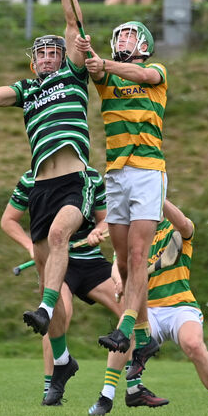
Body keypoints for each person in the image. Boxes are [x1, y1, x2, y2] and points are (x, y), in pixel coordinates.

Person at [0, 0, 90, 342]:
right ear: (33, 63)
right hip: (41, 189)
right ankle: (62, 360)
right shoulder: (26, 89)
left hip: (73, 180)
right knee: (44, 270)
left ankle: (46, 308)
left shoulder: (74, 75)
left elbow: (73, 22)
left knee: (58, 237)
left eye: (54, 52)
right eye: (42, 54)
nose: (49, 57)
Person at [2, 168, 168, 410]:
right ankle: (52, 387)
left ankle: (134, 386)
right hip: (60, 265)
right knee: (58, 314)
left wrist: (98, 230)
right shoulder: (31, 178)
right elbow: (8, 220)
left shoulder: (91, 178)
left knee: (131, 312)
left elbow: (105, 217)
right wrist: (30, 245)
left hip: (91, 262)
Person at [76, 23, 168, 386]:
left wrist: (104, 64)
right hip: (115, 174)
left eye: (131, 35)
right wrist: (89, 56)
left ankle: (125, 329)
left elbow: (140, 73)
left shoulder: (156, 73)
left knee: (138, 254)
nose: (123, 40)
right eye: (120, 36)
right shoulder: (105, 78)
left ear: (145, 43)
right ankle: (145, 339)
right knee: (126, 267)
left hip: (148, 171)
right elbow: (90, 60)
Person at [91, 200, 208, 416]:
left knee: (194, 344)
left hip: (180, 306)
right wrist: (119, 280)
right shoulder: (133, 237)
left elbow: (186, 226)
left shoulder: (174, 228)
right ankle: (106, 396)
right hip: (146, 308)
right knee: (124, 331)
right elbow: (117, 264)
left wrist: (158, 195)